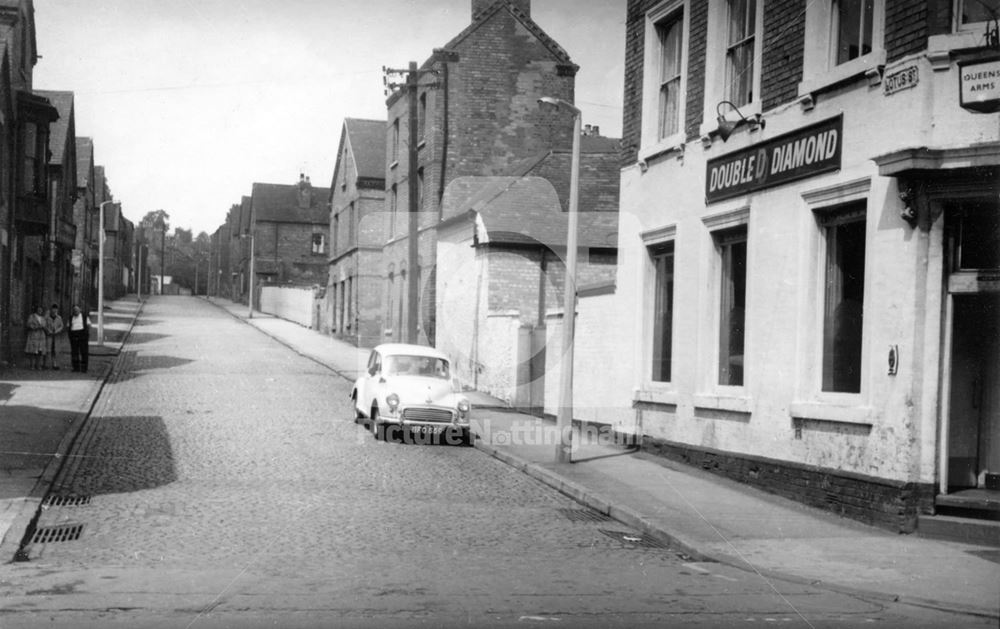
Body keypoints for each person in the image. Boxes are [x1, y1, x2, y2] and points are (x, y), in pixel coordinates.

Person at [68, 305, 92, 373]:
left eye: (77, 310)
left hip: (82, 336)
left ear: (80, 310)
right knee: (74, 352)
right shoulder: (70, 318)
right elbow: (68, 327)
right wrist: (70, 336)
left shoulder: (84, 317)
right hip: (74, 336)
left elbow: (89, 325)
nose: (76, 311)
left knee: (84, 352)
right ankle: (76, 368)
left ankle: (84, 368)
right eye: (74, 310)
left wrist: (87, 335)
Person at [24, 306, 47, 370]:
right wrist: (35, 327)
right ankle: (32, 365)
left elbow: (45, 325)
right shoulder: (32, 316)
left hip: (41, 336)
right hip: (33, 335)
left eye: (41, 310)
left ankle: (38, 365)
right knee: (33, 351)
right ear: (36, 310)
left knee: (40, 351)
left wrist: (43, 327)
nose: (40, 311)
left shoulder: (43, 318)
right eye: (39, 309)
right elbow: (28, 324)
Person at [45, 303, 64, 370]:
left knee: (55, 350)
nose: (54, 310)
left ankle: (55, 364)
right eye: (53, 309)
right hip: (49, 335)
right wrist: (48, 330)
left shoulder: (59, 318)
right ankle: (46, 364)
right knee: (48, 350)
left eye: (56, 309)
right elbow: (45, 325)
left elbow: (61, 326)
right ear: (51, 309)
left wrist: (57, 331)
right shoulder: (48, 318)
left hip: (56, 336)